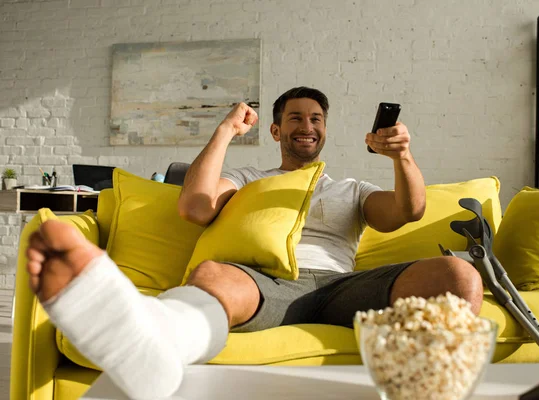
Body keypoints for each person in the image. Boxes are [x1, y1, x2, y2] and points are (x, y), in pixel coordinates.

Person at [26, 87, 483, 399]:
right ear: (276, 131)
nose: (308, 125)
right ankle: (154, 345)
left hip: (345, 288)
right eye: (295, 118)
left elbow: (409, 211)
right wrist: (225, 130)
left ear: (324, 129)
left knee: (457, 274)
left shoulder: (351, 188)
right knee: (214, 275)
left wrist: (402, 155)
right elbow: (196, 207)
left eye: (316, 119)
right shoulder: (248, 179)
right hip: (267, 284)